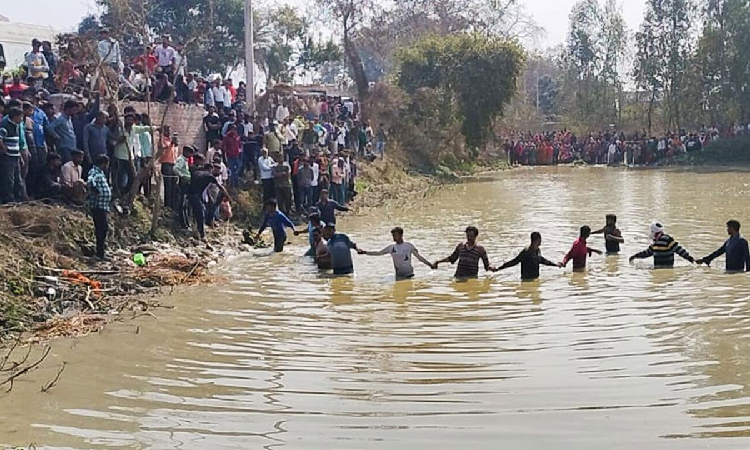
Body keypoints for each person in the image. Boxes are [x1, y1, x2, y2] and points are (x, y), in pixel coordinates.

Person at [358, 227, 435, 279]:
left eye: (395, 235)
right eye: (393, 235)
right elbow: (378, 253)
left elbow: (419, 258)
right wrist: (365, 252)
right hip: (398, 276)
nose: (394, 237)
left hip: (409, 275)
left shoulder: (409, 246)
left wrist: (430, 265)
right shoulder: (391, 248)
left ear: (401, 235)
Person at [495, 232, 561, 281]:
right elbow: (514, 261)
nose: (541, 241)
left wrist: (556, 265)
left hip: (535, 279)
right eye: (540, 239)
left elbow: (543, 260)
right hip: (526, 280)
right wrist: (500, 268)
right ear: (536, 240)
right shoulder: (526, 252)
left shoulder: (537, 250)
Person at [188, 157, 224, 240]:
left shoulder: (196, 172)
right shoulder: (209, 175)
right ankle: (202, 234)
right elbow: (220, 187)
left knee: (196, 212)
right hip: (195, 196)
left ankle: (195, 230)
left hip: (190, 194)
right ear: (210, 169)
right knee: (201, 213)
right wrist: (228, 197)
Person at [629, 222, 694, 268]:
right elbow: (648, 252)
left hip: (665, 268)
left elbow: (679, 250)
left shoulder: (667, 239)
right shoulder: (656, 242)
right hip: (661, 268)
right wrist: (635, 256)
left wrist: (690, 259)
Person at [87, 155, 112, 260]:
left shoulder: (100, 173)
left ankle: (101, 251)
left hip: (103, 206)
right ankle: (100, 253)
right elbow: (90, 181)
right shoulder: (94, 172)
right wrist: (94, 190)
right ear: (103, 163)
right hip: (97, 206)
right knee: (101, 228)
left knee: (103, 228)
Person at [0, 107, 25, 204]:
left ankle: (18, 199)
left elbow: (17, 143)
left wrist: (20, 157)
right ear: (15, 116)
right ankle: (9, 200)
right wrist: (3, 148)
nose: (21, 119)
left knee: (18, 179)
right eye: (20, 116)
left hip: (15, 156)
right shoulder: (5, 125)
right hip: (8, 157)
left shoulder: (17, 126)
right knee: (9, 180)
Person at [222, 123, 242, 188]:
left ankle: (236, 183)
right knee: (231, 170)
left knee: (238, 169)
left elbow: (240, 145)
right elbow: (223, 146)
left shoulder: (237, 137)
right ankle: (232, 185)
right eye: (233, 129)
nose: (234, 130)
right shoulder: (226, 137)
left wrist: (239, 150)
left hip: (237, 155)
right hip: (230, 156)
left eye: (235, 129)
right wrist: (227, 151)